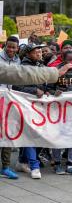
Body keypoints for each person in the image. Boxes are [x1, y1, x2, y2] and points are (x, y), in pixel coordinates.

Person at [48, 50, 72, 177]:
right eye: (70, 60)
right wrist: (55, 92)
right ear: (63, 59)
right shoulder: (55, 72)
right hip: (58, 110)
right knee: (58, 136)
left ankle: (71, 165)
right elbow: (47, 89)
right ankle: (57, 164)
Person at [12, 44, 46, 179]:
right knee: (30, 136)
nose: (39, 52)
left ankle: (21, 161)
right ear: (28, 54)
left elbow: (44, 85)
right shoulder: (23, 67)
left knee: (37, 135)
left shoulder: (40, 66)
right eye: (36, 51)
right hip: (26, 105)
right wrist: (34, 91)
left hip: (38, 106)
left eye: (40, 50)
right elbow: (16, 86)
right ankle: (34, 166)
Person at [0, 36, 21, 179]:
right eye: (9, 46)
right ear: (4, 45)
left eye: (14, 47)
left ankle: (5, 167)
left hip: (9, 102)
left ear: (17, 48)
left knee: (7, 133)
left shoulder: (18, 60)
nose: (11, 49)